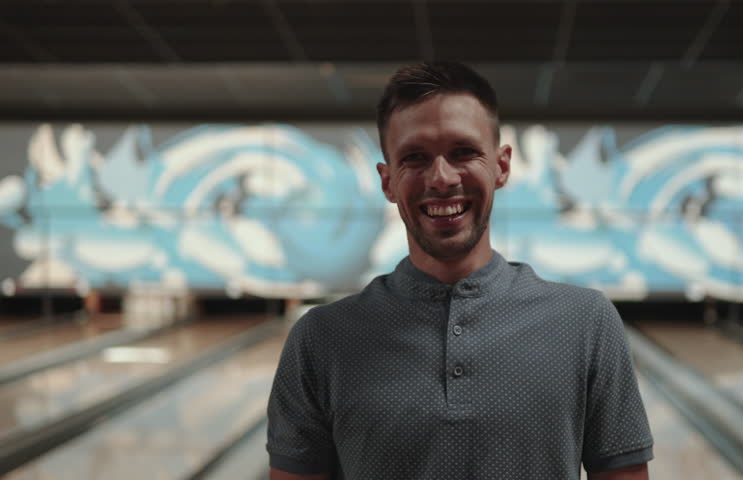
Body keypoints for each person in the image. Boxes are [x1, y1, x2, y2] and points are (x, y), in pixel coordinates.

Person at [267, 61, 653, 480]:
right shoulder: (321, 339)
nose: (442, 177)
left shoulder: (587, 323)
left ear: (502, 166)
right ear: (388, 181)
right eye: (415, 157)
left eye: (463, 152)